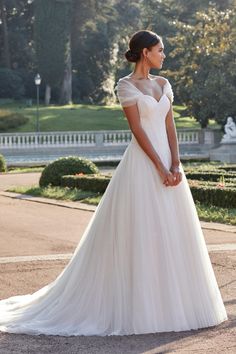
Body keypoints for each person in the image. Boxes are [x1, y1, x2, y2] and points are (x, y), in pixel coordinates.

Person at [0, 30, 228, 336]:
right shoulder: (126, 86)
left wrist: (176, 163)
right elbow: (138, 131)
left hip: (170, 165)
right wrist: (159, 166)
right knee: (144, 233)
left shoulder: (163, 84)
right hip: (143, 166)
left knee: (174, 232)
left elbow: (170, 127)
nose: (164, 55)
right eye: (160, 50)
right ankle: (144, 308)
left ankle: (175, 304)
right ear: (146, 52)